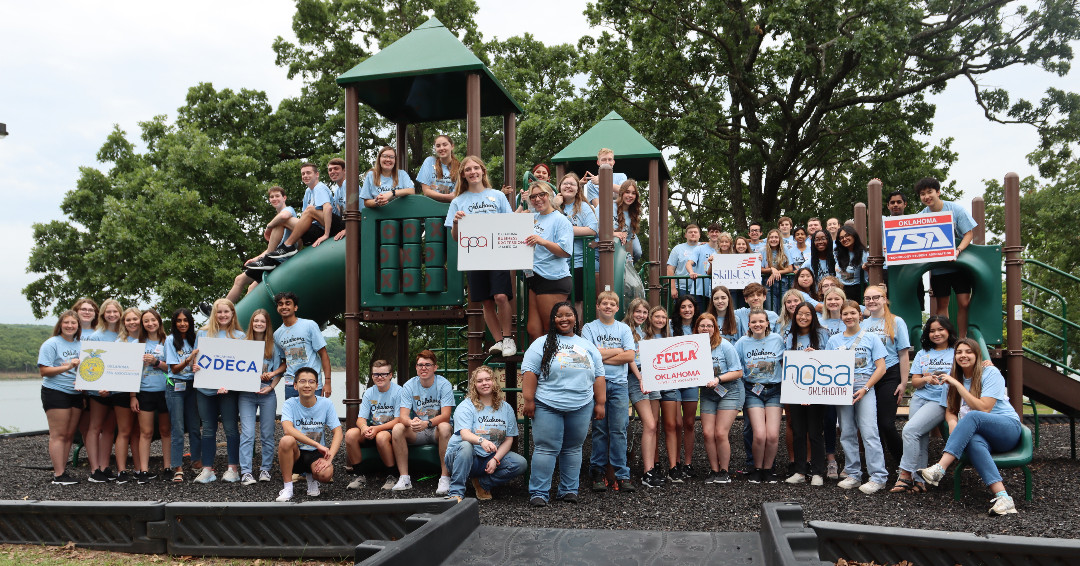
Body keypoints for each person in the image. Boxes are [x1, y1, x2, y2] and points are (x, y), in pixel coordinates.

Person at [917, 339, 1022, 515]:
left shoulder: (990, 373)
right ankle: (1004, 498)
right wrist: (952, 423)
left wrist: (957, 385)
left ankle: (940, 468)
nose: (963, 355)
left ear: (977, 354)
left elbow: (984, 408)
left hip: (1007, 429)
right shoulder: (951, 379)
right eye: (959, 352)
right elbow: (950, 410)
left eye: (968, 352)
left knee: (973, 416)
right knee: (972, 441)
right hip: (981, 434)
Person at [521, 302, 606, 506]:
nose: (564, 319)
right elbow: (530, 372)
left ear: (575, 319)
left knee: (573, 448)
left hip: (581, 404)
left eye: (569, 315)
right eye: (559, 315)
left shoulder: (587, 345)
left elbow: (599, 375)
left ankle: (569, 490)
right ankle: (539, 493)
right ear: (553, 319)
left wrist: (600, 403)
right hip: (547, 404)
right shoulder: (541, 343)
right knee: (546, 448)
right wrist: (529, 400)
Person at [445, 155, 517, 357]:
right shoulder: (458, 201)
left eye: (476, 168)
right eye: (468, 169)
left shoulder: (497, 196)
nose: (473, 172)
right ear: (463, 175)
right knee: (485, 301)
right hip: (474, 254)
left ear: (483, 171)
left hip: (497, 252)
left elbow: (510, 224)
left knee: (501, 296)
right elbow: (455, 237)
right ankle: (499, 341)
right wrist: (458, 223)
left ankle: (509, 338)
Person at [828, 299, 889, 494]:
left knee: (869, 431)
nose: (849, 317)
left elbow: (881, 368)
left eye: (852, 313)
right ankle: (853, 474)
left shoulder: (871, 338)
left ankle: (878, 476)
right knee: (846, 431)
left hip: (865, 386)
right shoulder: (833, 340)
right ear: (841, 316)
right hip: (842, 388)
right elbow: (827, 367)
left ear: (859, 315)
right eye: (845, 314)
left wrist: (866, 388)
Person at [444, 365, 527, 502]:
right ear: (474, 385)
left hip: (488, 458)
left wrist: (496, 459)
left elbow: (508, 439)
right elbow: (465, 434)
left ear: (494, 382)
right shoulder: (466, 406)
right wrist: (482, 441)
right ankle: (456, 493)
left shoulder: (506, 408)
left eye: (488, 379)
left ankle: (483, 483)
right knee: (466, 446)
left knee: (520, 463)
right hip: (463, 457)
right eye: (480, 381)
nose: (484, 383)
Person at [893, 315, 957, 493]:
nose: (936, 334)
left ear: (948, 331)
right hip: (920, 398)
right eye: (932, 331)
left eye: (940, 330)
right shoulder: (923, 353)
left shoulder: (956, 351)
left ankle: (905, 474)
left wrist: (986, 362)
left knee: (910, 430)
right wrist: (927, 379)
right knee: (919, 436)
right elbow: (915, 382)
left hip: (940, 400)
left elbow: (971, 366)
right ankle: (919, 481)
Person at [582, 291, 637, 492]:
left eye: (612, 304)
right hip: (598, 382)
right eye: (604, 303)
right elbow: (589, 355)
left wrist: (602, 354)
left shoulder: (623, 328)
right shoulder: (589, 328)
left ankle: (621, 474)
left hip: (620, 384)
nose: (608, 307)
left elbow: (630, 355)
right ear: (598, 306)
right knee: (599, 429)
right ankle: (597, 472)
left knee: (619, 429)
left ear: (617, 307)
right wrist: (617, 351)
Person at [916, 177, 978, 337]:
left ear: (938, 192)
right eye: (922, 194)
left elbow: (969, 233)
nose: (926, 196)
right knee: (942, 304)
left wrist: (958, 250)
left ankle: (962, 338)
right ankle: (947, 338)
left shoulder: (956, 210)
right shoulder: (921, 216)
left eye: (929, 192)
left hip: (960, 265)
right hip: (939, 268)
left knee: (964, 302)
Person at [192, 299, 245, 484]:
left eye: (226, 312)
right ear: (214, 314)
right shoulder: (203, 334)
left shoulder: (240, 336)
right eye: (219, 312)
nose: (222, 315)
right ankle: (208, 469)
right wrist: (195, 366)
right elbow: (195, 360)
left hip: (228, 392)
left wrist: (230, 384)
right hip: (205, 390)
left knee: (231, 428)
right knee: (207, 429)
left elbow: (242, 367)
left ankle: (233, 468)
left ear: (232, 314)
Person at [253, 162, 345, 267]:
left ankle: (288, 245)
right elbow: (305, 220)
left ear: (317, 174)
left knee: (309, 210)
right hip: (316, 228)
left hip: (330, 226)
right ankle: (268, 258)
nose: (305, 176)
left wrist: (326, 235)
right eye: (303, 174)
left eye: (308, 173)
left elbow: (328, 208)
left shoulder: (319, 187)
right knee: (281, 221)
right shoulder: (307, 192)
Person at [390, 350, 455, 494]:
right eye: (420, 365)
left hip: (436, 429)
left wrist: (428, 423)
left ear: (435, 367)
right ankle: (404, 478)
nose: (423, 368)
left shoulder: (444, 384)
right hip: (418, 430)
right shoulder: (409, 385)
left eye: (427, 364)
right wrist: (411, 422)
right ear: (416, 368)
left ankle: (445, 478)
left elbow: (446, 415)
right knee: (398, 428)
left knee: (445, 427)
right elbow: (403, 416)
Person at [861, 284, 911, 465]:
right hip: (869, 375)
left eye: (876, 297)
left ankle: (905, 463)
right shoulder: (863, 324)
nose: (872, 301)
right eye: (868, 298)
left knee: (887, 423)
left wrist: (904, 383)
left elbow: (903, 353)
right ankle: (879, 466)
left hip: (890, 373)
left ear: (884, 299)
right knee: (871, 425)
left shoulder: (897, 321)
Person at [275, 367, 342, 502]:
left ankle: (312, 478)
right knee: (286, 440)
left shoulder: (326, 404)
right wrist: (316, 443)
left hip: (315, 454)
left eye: (311, 382)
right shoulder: (289, 404)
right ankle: (288, 488)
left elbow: (338, 432)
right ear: (295, 385)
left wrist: (329, 458)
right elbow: (288, 429)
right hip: (296, 453)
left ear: (317, 385)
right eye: (302, 381)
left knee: (326, 474)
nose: (307, 385)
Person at [735, 308, 786, 483]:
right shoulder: (742, 342)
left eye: (761, 321)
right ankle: (756, 467)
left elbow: (789, 360)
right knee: (759, 434)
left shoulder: (778, 340)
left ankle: (768, 468)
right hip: (752, 391)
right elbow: (737, 367)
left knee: (772, 435)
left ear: (767, 323)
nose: (757, 325)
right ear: (748, 324)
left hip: (774, 390)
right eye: (754, 322)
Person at [221, 186, 297, 302]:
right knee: (251, 287)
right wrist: (256, 259)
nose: (274, 199)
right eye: (271, 197)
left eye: (277, 196)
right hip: (276, 258)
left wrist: (268, 227)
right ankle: (238, 316)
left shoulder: (289, 210)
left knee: (239, 280)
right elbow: (272, 248)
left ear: (284, 198)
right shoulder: (277, 221)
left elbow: (284, 216)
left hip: (280, 259)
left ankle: (219, 310)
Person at [783, 302, 830, 486]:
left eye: (807, 314)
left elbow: (829, 360)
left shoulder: (822, 334)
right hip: (796, 389)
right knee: (799, 431)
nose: (803, 317)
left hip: (817, 390)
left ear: (813, 316)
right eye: (800, 314)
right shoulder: (790, 336)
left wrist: (816, 354)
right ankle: (800, 470)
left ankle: (818, 471)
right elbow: (787, 363)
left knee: (816, 431)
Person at [696, 313, 743, 485]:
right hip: (708, 394)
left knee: (720, 433)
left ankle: (724, 471)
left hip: (728, 391)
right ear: (697, 328)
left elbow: (738, 371)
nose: (706, 329)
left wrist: (719, 379)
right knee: (708, 433)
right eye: (702, 326)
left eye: (709, 326)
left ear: (715, 328)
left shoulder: (725, 345)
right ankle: (714, 470)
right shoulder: (694, 347)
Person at [523, 181, 574, 341]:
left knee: (550, 328)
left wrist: (542, 241)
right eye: (533, 197)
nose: (537, 199)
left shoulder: (560, 220)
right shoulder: (532, 218)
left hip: (553, 278)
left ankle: (558, 364)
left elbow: (566, 251)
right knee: (533, 329)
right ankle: (539, 364)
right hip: (533, 278)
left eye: (541, 195)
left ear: (550, 196)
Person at [238, 309, 284, 485]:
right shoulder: (243, 343)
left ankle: (265, 469)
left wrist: (271, 385)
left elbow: (281, 369)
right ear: (252, 323)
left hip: (267, 394)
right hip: (246, 395)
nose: (259, 324)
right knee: (248, 433)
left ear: (267, 325)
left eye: (262, 321)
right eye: (256, 321)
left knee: (267, 434)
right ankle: (246, 472)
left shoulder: (273, 345)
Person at [38, 310, 84, 485]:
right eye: (67, 323)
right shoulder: (51, 344)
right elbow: (44, 371)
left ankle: (64, 471)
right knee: (58, 435)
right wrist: (67, 367)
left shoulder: (81, 345)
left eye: (73, 323)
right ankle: (58, 475)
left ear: (78, 326)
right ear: (60, 325)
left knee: (69, 435)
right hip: (56, 392)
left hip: (76, 394)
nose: (70, 326)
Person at [344, 360, 402, 490]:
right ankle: (359, 475)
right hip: (373, 428)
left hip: (391, 430)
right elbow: (360, 419)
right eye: (376, 374)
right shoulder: (369, 392)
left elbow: (398, 420)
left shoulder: (398, 392)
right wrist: (364, 428)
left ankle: (392, 475)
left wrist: (376, 429)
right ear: (372, 376)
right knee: (350, 434)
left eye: (383, 374)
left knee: (381, 437)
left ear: (390, 375)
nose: (380, 377)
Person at [623, 298, 662, 488]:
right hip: (636, 377)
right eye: (638, 311)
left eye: (644, 312)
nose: (641, 315)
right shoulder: (625, 330)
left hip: (651, 377)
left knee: (654, 425)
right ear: (631, 311)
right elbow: (630, 358)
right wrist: (639, 377)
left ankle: (651, 466)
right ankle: (647, 472)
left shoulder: (647, 332)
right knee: (649, 423)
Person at [130, 308, 172, 484]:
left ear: (159, 321)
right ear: (142, 324)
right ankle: (144, 471)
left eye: (153, 320)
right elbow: (130, 373)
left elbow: (174, 368)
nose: (150, 324)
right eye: (146, 321)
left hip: (166, 391)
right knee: (145, 432)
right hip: (144, 392)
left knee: (165, 431)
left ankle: (168, 467)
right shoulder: (136, 344)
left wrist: (156, 362)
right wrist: (132, 396)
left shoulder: (168, 341)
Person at [84, 299, 122, 482]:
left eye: (115, 311)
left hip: (117, 391)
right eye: (108, 312)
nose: (112, 315)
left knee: (109, 430)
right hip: (98, 392)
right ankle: (94, 469)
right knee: (95, 427)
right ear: (103, 315)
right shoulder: (96, 336)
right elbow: (91, 366)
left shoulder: (124, 335)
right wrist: (100, 386)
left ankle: (105, 466)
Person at [664, 295, 700, 482]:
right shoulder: (670, 327)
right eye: (683, 307)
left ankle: (687, 463)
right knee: (675, 423)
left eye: (690, 306)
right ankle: (674, 462)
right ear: (678, 310)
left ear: (695, 308)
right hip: (673, 381)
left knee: (689, 423)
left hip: (692, 381)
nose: (687, 310)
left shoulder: (700, 326)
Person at [164, 308, 202, 483]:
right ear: (174, 323)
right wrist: (189, 360)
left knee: (195, 427)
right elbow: (173, 369)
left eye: (185, 320)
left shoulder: (196, 339)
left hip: (193, 386)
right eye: (179, 321)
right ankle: (177, 467)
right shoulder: (171, 340)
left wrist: (196, 365)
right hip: (176, 387)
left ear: (190, 322)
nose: (182, 324)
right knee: (178, 428)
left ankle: (196, 462)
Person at [273, 292, 331, 399]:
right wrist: (272, 374)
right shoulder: (277, 334)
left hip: (312, 383)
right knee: (292, 416)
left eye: (288, 303)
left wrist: (327, 382)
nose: (284, 306)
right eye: (280, 304)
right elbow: (285, 362)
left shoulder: (309, 325)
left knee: (315, 415)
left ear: (295, 307)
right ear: (277, 308)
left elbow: (323, 354)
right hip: (291, 385)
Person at [555, 172, 598, 318]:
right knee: (560, 301)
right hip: (556, 262)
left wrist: (565, 229)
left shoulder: (583, 207)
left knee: (576, 300)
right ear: (559, 187)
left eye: (572, 184)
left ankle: (576, 331)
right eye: (565, 183)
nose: (568, 186)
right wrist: (555, 205)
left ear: (578, 189)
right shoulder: (553, 206)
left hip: (577, 262)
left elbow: (592, 230)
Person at [113, 307, 144, 484]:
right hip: (122, 392)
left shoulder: (147, 340)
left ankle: (139, 469)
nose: (132, 322)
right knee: (124, 431)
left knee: (138, 432)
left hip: (143, 391)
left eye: (135, 319)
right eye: (128, 320)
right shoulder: (120, 343)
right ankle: (122, 471)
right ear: (123, 323)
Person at [688, 223, 723, 306]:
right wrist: (691, 272)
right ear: (708, 233)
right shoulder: (699, 248)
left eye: (717, 232)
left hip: (718, 291)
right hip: (699, 290)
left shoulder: (724, 250)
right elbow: (689, 263)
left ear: (720, 233)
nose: (714, 234)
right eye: (712, 232)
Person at [418, 134, 459, 203]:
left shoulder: (459, 167)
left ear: (452, 146)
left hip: (450, 207)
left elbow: (455, 194)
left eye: (445, 145)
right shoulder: (429, 161)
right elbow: (426, 191)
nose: (441, 148)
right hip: (431, 206)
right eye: (438, 146)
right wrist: (447, 197)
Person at [667, 224, 702, 301]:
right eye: (690, 232)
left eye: (695, 232)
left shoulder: (704, 247)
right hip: (682, 288)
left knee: (701, 312)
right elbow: (670, 269)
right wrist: (672, 288)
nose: (693, 234)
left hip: (700, 288)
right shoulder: (677, 249)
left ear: (699, 235)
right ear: (686, 235)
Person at [834, 225, 867, 298]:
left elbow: (867, 276)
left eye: (847, 235)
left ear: (854, 236)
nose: (844, 239)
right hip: (840, 291)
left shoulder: (863, 254)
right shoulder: (837, 253)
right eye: (841, 238)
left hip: (856, 292)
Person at [614, 179, 643, 261]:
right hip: (607, 246)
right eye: (627, 192)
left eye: (633, 193)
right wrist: (615, 233)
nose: (630, 195)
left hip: (621, 247)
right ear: (621, 193)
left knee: (636, 253)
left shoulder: (633, 213)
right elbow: (599, 229)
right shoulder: (611, 206)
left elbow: (628, 238)